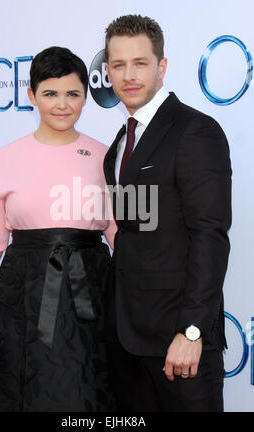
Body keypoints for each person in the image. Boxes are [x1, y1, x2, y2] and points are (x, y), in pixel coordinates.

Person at [0, 46, 116, 412]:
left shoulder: (105, 156)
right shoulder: (6, 157)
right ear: (32, 96)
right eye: (50, 94)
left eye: (72, 94)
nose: (62, 104)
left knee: (87, 393)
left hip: (91, 293)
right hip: (22, 295)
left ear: (86, 96)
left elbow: (120, 238)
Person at [103, 14, 232, 412]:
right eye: (118, 65)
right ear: (107, 71)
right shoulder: (122, 141)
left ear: (161, 66)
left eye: (140, 63)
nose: (129, 75)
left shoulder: (195, 130)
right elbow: (132, 233)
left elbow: (210, 235)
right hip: (126, 340)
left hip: (179, 343)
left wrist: (192, 331)